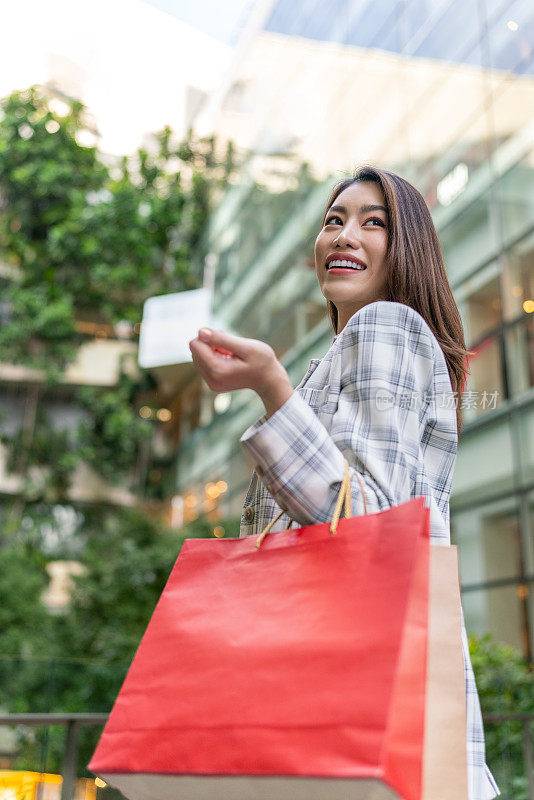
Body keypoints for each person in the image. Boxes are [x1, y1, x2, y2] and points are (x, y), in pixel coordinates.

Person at [189, 165, 500, 800]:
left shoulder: (385, 325)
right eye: (333, 220)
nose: (344, 234)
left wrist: (271, 387)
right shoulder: (346, 351)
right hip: (367, 693)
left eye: (372, 222)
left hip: (359, 696)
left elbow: (370, 522)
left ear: (407, 246)